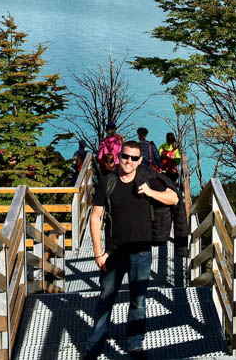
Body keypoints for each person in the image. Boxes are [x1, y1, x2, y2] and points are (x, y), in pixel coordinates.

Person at [84, 141, 179, 359]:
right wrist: (98, 252)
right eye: (126, 156)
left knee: (138, 300)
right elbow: (95, 217)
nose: (129, 161)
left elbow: (174, 198)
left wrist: (150, 192)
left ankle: (135, 345)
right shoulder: (108, 182)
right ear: (119, 156)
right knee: (105, 299)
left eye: (134, 158)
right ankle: (94, 346)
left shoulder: (147, 179)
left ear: (140, 160)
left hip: (142, 252)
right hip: (113, 252)